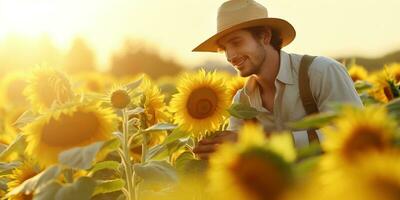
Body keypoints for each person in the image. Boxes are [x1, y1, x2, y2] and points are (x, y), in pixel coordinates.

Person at [192, 0, 363, 160]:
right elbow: (239, 154)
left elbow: (352, 135)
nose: (230, 56)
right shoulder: (242, 101)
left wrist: (254, 142)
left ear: (265, 36)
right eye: (224, 49)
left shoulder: (321, 72)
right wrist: (216, 150)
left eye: (236, 42)